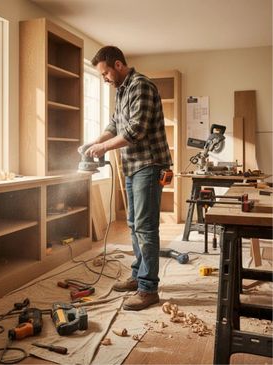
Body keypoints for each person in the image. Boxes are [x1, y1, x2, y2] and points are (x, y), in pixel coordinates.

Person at [83, 46, 172, 311]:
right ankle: (138, 275)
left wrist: (104, 149)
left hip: (150, 163)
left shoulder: (141, 86)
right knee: (134, 224)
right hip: (133, 165)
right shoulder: (121, 91)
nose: (105, 79)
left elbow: (136, 130)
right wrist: (95, 141)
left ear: (119, 65)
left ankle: (148, 289)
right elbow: (115, 124)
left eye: (105, 73)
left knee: (146, 227)